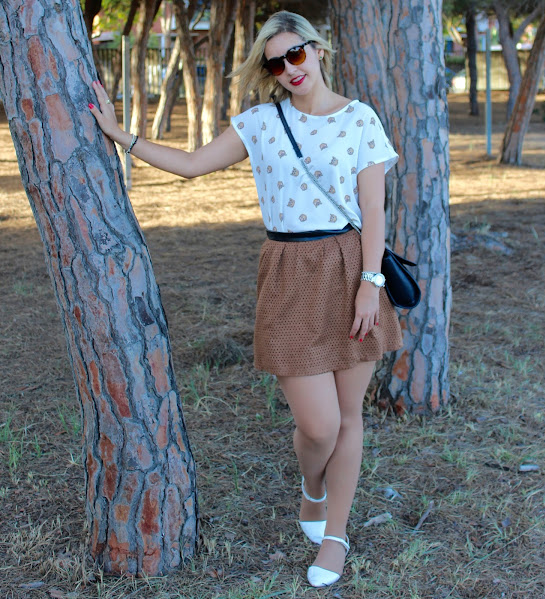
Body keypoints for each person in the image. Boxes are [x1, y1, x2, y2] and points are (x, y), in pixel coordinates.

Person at [89, 10, 402, 588]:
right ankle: (312, 486)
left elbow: (374, 209)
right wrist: (120, 135)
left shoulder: (360, 119)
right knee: (319, 426)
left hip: (350, 269)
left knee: (348, 417)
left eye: (297, 54)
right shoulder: (261, 123)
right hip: (287, 273)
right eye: (276, 63)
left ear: (318, 50)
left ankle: (335, 535)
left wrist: (370, 283)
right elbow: (190, 166)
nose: (290, 69)